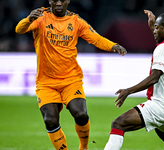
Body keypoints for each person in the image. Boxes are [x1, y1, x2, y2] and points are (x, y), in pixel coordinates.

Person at [15, 0, 127, 150]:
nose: (59, 3)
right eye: (55, 0)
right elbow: (19, 29)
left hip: (70, 79)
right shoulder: (40, 17)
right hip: (46, 83)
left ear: (68, 1)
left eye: (62, 0)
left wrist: (113, 45)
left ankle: (84, 147)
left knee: (80, 114)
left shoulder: (76, 21)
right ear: (50, 1)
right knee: (50, 120)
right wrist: (28, 19)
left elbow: (95, 38)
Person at [104, 10, 164, 150]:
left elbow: (154, 77)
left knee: (118, 124)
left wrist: (128, 91)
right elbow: (162, 39)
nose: (154, 31)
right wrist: (154, 26)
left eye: (157, 28)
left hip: (160, 106)